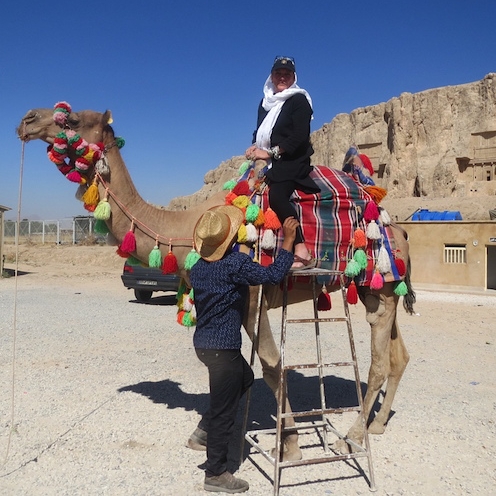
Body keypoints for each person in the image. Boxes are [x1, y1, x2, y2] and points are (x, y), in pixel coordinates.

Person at [188, 205, 299, 493]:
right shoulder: (234, 265)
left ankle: (203, 431)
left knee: (246, 378)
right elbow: (273, 274)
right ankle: (215, 474)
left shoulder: (197, 268)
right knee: (225, 411)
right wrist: (287, 240)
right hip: (223, 349)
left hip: (204, 345)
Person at [245, 55, 320, 270]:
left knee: (277, 195)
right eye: (278, 73)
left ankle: (301, 248)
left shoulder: (299, 100)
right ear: (272, 76)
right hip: (271, 161)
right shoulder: (265, 103)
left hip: (293, 160)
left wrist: (269, 153)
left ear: (293, 77)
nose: (282, 77)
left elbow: (299, 136)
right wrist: (253, 146)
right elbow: (261, 131)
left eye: (287, 74)